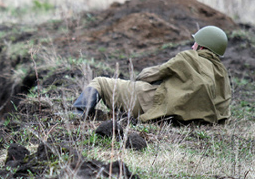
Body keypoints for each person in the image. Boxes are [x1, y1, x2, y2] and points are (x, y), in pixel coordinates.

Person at [72, 26, 231, 124]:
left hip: (154, 104)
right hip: (196, 119)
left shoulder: (188, 57)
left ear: (202, 47)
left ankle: (78, 114)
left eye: (195, 43)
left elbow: (147, 76)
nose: (192, 45)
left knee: (100, 82)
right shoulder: (222, 73)